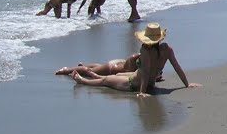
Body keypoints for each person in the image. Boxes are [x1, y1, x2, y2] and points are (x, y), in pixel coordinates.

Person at [71, 23, 200, 97]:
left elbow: (145, 71)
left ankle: (82, 80)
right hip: (146, 81)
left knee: (105, 80)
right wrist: (186, 84)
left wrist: (142, 92)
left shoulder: (145, 50)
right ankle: (92, 74)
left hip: (134, 84)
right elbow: (176, 67)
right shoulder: (167, 49)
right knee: (118, 74)